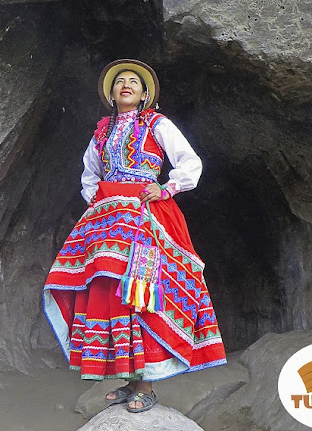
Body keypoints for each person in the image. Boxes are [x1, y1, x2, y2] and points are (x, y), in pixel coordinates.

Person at [43, 59, 226, 413]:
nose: (126, 85)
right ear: (111, 94)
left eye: (134, 82)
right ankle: (128, 380)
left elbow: (190, 162)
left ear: (145, 95)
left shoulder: (158, 124)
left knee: (139, 291)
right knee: (110, 292)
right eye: (119, 82)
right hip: (109, 222)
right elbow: (88, 175)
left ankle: (146, 385)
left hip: (145, 221)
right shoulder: (101, 132)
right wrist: (99, 201)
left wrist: (167, 188)